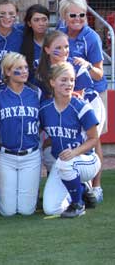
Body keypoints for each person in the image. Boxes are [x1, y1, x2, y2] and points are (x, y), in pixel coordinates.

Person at [58, 0, 107, 202]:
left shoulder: (91, 37)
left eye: (82, 15)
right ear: (63, 17)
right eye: (73, 16)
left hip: (92, 93)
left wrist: (87, 66)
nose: (78, 19)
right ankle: (78, 184)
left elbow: (100, 73)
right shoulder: (59, 34)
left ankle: (96, 187)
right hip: (69, 94)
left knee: (93, 139)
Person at [39, 62, 101, 218]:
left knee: (65, 163)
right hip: (64, 163)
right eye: (64, 80)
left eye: (72, 80)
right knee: (51, 209)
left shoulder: (81, 106)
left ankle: (78, 204)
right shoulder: (45, 108)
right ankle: (80, 188)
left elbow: (94, 139)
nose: (69, 84)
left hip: (87, 160)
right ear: (52, 82)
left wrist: (74, 152)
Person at [0, 52, 41, 216]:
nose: (24, 71)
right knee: (8, 211)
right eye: (19, 68)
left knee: (27, 211)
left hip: (31, 156)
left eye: (26, 67)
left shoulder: (36, 93)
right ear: (8, 72)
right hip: (5, 155)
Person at [20, 4, 50, 81]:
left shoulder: (54, 42)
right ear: (29, 23)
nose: (41, 23)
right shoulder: (23, 43)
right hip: (31, 89)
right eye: (36, 20)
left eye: (44, 19)